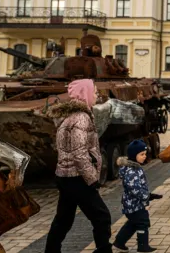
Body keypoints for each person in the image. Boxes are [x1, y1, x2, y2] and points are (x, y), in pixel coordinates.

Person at [44, 79, 112, 253]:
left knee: (63, 219)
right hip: (77, 177)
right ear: (85, 94)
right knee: (101, 216)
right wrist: (92, 179)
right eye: (94, 92)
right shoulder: (81, 118)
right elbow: (79, 152)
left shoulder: (70, 116)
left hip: (65, 176)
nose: (97, 95)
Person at [113, 140, 162, 252]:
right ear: (133, 155)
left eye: (145, 154)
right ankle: (142, 245)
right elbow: (135, 189)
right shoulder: (131, 171)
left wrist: (149, 195)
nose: (144, 156)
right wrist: (147, 196)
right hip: (133, 204)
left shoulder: (135, 167)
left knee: (133, 223)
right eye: (141, 154)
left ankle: (119, 242)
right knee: (142, 222)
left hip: (134, 203)